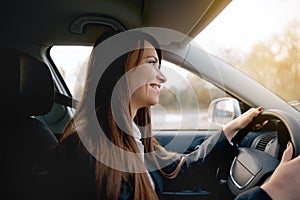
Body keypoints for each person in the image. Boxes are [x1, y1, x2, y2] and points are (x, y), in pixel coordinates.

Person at [54, 30, 300, 200]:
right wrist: (272, 191)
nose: (161, 77)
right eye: (152, 63)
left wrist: (230, 130)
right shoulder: (91, 152)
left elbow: (181, 170)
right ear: (120, 69)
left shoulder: (130, 139)